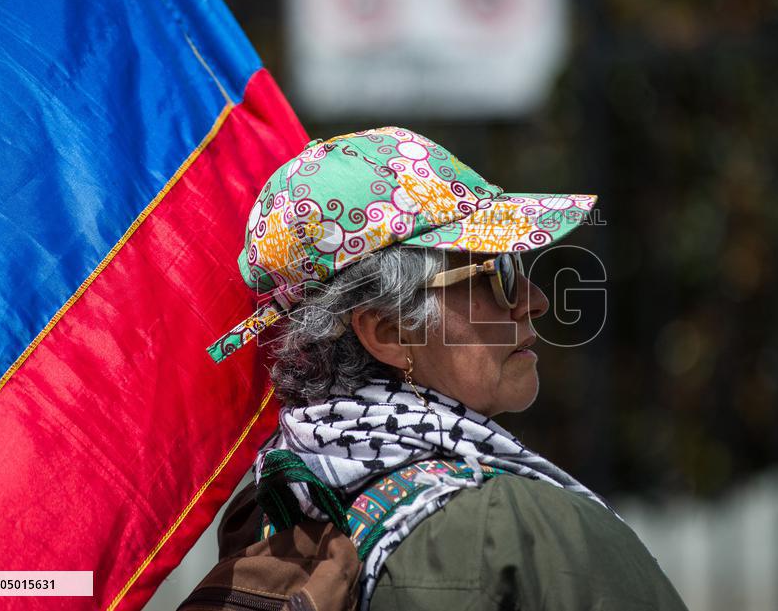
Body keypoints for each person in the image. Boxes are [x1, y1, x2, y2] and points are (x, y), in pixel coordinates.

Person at [207, 127, 688, 610]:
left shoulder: (269, 513)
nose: (535, 300)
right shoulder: (516, 532)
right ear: (390, 332)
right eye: (496, 272)